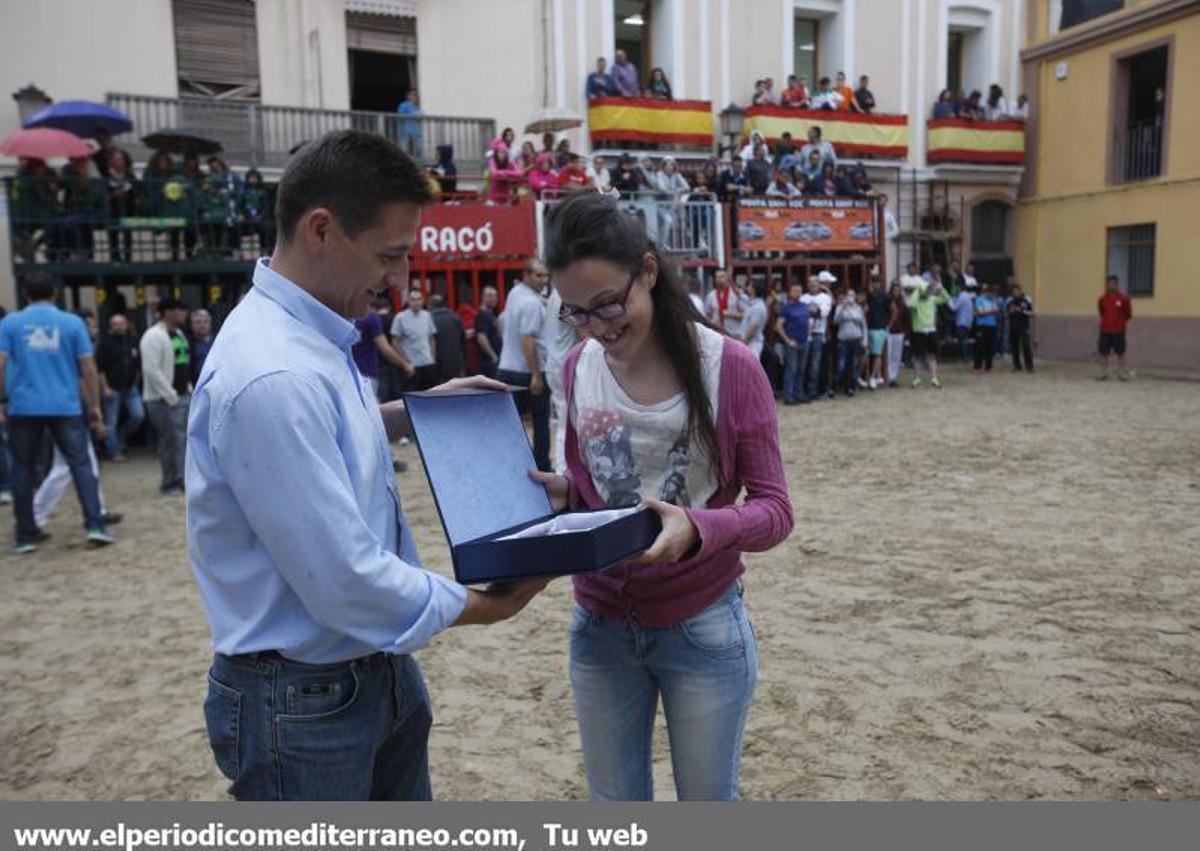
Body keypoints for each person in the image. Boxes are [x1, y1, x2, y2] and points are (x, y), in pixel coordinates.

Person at [187, 130, 548, 802]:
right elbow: (345, 577)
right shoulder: (273, 371)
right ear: (321, 229)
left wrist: (413, 412)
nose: (398, 280)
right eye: (388, 255)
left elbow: (321, 441)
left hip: (362, 673)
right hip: (305, 701)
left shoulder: (307, 333)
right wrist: (483, 606)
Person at [530, 191, 793, 801]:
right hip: (597, 625)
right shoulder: (577, 367)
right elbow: (586, 490)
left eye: (609, 304)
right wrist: (561, 496)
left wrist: (699, 528)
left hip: (700, 622)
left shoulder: (729, 366)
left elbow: (776, 510)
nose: (598, 327)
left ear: (647, 271)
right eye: (577, 313)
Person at [0, 273, 113, 552]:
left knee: (23, 470)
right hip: (65, 405)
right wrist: (95, 407)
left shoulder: (10, 323)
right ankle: (95, 524)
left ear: (26, 294)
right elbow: (87, 367)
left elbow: (0, 363)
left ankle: (26, 535)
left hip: (24, 406)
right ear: (55, 294)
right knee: (81, 465)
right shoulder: (72, 323)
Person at [496, 259, 552, 472]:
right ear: (526, 275)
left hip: (507, 367)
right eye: (539, 275)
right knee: (540, 423)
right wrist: (536, 374)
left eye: (545, 275)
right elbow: (528, 339)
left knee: (512, 425)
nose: (544, 280)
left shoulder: (515, 294)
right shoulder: (531, 303)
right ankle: (542, 467)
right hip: (527, 371)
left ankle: (513, 467)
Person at [141, 297, 191, 495]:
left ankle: (180, 479)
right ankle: (170, 482)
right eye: (180, 310)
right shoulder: (153, 336)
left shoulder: (178, 333)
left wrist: (187, 389)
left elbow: (182, 364)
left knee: (180, 441)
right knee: (170, 442)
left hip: (180, 395)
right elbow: (151, 370)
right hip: (163, 399)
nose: (184, 314)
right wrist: (170, 396)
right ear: (169, 312)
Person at [95, 312, 145, 460]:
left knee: (138, 416)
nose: (119, 327)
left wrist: (136, 382)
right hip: (112, 387)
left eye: (121, 323)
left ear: (126, 324)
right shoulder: (105, 343)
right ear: (111, 327)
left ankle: (120, 438)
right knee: (111, 421)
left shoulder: (133, 341)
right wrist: (105, 388)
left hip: (130, 387)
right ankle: (113, 451)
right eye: (115, 324)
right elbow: (100, 369)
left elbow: (139, 364)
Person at [544, 287, 580, 475]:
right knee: (567, 425)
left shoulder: (555, 293)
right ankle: (564, 472)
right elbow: (583, 327)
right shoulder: (567, 292)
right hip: (566, 365)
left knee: (563, 423)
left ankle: (564, 471)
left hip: (554, 363)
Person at [353, 298, 414, 399]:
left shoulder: (348, 317)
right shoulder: (371, 318)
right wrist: (405, 364)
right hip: (368, 371)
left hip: (350, 372)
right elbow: (384, 347)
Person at [902, 264, 948, 388]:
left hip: (931, 330)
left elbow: (946, 298)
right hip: (918, 331)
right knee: (917, 356)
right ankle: (917, 379)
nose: (928, 291)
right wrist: (917, 290)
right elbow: (910, 304)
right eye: (926, 289)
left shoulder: (932, 299)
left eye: (928, 289)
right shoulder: (915, 301)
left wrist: (940, 286)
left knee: (931, 355)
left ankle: (934, 378)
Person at [390, 289, 438, 391]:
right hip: (412, 366)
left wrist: (433, 357)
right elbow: (395, 341)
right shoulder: (400, 318)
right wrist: (405, 362)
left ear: (423, 300)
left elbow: (431, 338)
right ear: (408, 301)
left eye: (419, 299)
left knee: (430, 395)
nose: (416, 302)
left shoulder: (427, 315)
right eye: (413, 299)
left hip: (428, 363)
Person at [775, 281, 812, 404]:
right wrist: (787, 340)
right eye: (795, 291)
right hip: (792, 342)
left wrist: (809, 335)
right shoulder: (785, 308)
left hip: (804, 341)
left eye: (799, 291)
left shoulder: (805, 306)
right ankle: (789, 396)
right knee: (791, 369)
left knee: (801, 370)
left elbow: (809, 322)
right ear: (790, 293)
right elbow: (778, 326)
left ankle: (799, 394)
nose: (798, 293)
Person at [800, 275, 833, 400]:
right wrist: (813, 311)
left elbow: (823, 312)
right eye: (810, 283)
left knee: (815, 365)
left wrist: (812, 311)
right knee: (803, 364)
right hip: (804, 334)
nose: (812, 286)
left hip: (818, 333)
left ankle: (813, 391)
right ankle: (802, 391)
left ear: (819, 285)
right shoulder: (803, 297)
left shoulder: (825, 298)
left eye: (814, 284)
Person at [1097, 274, 1132, 381]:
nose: (1112, 285)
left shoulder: (1124, 299)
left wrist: (1120, 322)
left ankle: (1121, 373)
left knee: (1120, 352)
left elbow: (1128, 314)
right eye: (1110, 284)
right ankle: (1103, 373)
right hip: (1105, 329)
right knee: (1103, 352)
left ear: (1117, 285)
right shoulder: (1102, 299)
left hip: (1119, 330)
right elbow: (1101, 312)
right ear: (1107, 285)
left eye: (1114, 283)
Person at [833, 290, 867, 396]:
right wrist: (843, 307)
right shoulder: (840, 307)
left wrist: (865, 340)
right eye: (848, 295)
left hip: (856, 339)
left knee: (854, 365)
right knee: (841, 365)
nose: (850, 297)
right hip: (843, 340)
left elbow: (863, 325)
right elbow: (836, 320)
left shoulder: (858, 308)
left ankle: (850, 387)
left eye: (852, 295)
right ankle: (833, 387)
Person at [427, 294, 465, 384]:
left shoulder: (429, 319)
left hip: (437, 364)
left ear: (430, 305)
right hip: (456, 363)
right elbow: (463, 340)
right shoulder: (455, 317)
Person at [865, 275, 892, 389]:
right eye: (873, 282)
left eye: (877, 282)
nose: (875, 285)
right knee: (872, 353)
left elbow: (893, 310)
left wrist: (888, 326)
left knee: (877, 354)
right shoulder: (869, 296)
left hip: (880, 328)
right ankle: (878, 376)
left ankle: (872, 377)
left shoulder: (885, 296)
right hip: (869, 327)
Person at [704, 269, 745, 336]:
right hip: (717, 334)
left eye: (722, 276)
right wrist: (711, 322)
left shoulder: (736, 294)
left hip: (733, 333)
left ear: (727, 278)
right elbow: (707, 314)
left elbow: (746, 315)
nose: (719, 279)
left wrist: (731, 314)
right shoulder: (710, 296)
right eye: (717, 277)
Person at [474, 285, 503, 378]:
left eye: (495, 296)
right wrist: (493, 356)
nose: (493, 299)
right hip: (489, 361)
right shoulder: (484, 314)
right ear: (483, 297)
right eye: (490, 296)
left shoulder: (490, 313)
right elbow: (481, 337)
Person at [971, 283, 1000, 373]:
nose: (993, 295)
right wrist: (991, 311)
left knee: (990, 346)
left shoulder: (993, 301)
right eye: (991, 293)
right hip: (982, 325)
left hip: (992, 325)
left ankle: (988, 366)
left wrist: (992, 312)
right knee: (980, 346)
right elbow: (979, 313)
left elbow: (996, 311)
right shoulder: (979, 300)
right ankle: (977, 366)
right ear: (986, 292)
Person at [885, 280, 909, 387]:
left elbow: (906, 318)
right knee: (888, 355)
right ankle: (887, 376)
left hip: (899, 332)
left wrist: (905, 332)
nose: (896, 292)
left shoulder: (903, 303)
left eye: (898, 290)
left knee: (896, 356)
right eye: (894, 290)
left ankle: (893, 378)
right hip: (889, 331)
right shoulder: (887, 301)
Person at [1007, 284, 1035, 373]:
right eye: (1013, 292)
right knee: (1014, 347)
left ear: (1020, 290)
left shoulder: (1027, 299)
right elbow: (1006, 312)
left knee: (1026, 346)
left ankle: (1029, 366)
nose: (1015, 293)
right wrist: (1010, 311)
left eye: (1016, 291)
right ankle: (1017, 365)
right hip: (1013, 326)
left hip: (1024, 326)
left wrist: (1022, 311)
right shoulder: (1009, 300)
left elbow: (1032, 313)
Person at [740, 279, 769, 360]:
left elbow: (753, 327)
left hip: (752, 344)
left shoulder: (758, 307)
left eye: (750, 286)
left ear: (755, 289)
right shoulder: (754, 304)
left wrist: (744, 342)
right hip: (750, 343)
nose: (747, 288)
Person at [949, 284, 976, 362]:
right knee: (964, 340)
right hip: (968, 322)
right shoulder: (967, 296)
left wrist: (949, 300)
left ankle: (964, 358)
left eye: (955, 289)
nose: (954, 291)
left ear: (959, 288)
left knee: (962, 341)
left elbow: (954, 308)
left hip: (961, 322)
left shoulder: (962, 297)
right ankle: (964, 357)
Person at [189, 309, 215, 384]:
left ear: (210, 323)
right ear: (192, 325)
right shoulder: (187, 343)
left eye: (205, 321)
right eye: (198, 322)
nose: (202, 325)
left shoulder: (218, 342)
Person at [397, 88, 423, 158]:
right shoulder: (403, 105)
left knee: (418, 150)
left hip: (416, 131)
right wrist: (414, 114)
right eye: (411, 95)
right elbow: (400, 115)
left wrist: (419, 115)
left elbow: (420, 118)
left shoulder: (417, 107)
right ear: (407, 96)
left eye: (415, 95)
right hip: (405, 131)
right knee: (403, 151)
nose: (413, 97)